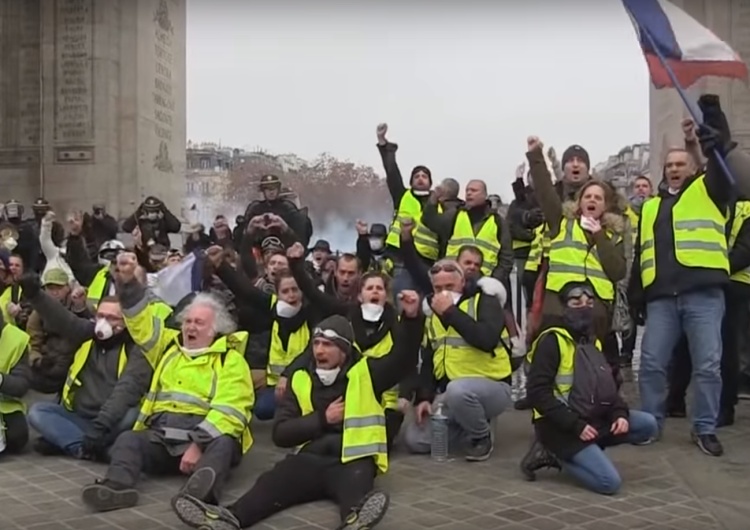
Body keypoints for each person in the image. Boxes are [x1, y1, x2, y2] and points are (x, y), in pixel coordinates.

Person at [171, 295, 424, 530]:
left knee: (356, 487)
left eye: (328, 345)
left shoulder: (366, 373)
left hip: (352, 460)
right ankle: (228, 519)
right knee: (272, 482)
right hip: (309, 459)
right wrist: (324, 419)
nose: (320, 351)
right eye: (316, 344)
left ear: (344, 350)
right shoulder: (301, 379)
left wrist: (412, 320)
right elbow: (281, 434)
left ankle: (355, 519)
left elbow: (403, 359)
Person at [80, 252, 254, 512]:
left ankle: (198, 497)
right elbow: (141, 325)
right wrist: (128, 284)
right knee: (128, 440)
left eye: (198, 323)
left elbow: (231, 412)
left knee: (224, 442)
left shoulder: (231, 360)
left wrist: (198, 444)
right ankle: (115, 488)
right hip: (162, 436)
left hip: (202, 439)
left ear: (215, 329)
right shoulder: (168, 346)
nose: (190, 327)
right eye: (187, 321)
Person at [630, 95, 743, 456]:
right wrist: (637, 297)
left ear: (692, 168)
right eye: (670, 165)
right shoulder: (650, 207)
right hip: (662, 298)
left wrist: (712, 118)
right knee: (651, 363)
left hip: (703, 294)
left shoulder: (709, 191)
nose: (675, 169)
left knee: (708, 365)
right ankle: (650, 422)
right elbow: (640, 256)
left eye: (681, 163)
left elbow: (721, 159)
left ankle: (705, 427)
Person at [519, 282, 658, 494]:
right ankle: (553, 453)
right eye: (576, 303)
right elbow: (537, 393)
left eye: (589, 303)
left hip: (592, 417)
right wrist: (575, 426)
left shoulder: (594, 342)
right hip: (559, 425)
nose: (584, 307)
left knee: (647, 424)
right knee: (609, 483)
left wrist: (619, 414)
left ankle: (588, 449)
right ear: (564, 307)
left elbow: (609, 389)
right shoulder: (551, 341)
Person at [23, 272, 151, 460]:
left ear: (127, 322)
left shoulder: (136, 348)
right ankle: (85, 448)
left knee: (133, 414)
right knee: (37, 412)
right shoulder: (87, 335)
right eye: (101, 316)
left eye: (112, 318)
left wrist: (101, 425)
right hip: (80, 417)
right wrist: (35, 295)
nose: (104, 323)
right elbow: (63, 319)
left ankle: (70, 441)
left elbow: (126, 391)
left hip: (112, 421)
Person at [402, 259, 513, 462]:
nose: (444, 293)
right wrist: (424, 398)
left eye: (449, 287)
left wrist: (451, 313)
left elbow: (486, 339)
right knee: (415, 439)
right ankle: (470, 424)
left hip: (492, 386)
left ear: (462, 283)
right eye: (438, 288)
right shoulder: (433, 315)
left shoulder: (485, 301)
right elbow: (428, 359)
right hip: (450, 393)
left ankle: (481, 436)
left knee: (458, 390)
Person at [208, 245, 312, 421]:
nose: (291, 295)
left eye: (295, 290)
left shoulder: (312, 313)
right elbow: (246, 291)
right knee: (262, 410)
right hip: (274, 384)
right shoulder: (273, 307)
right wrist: (220, 265)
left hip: (304, 383)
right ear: (277, 294)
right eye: (285, 291)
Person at [377, 123, 439, 297]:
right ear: (411, 181)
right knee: (402, 303)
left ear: (430, 182)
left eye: (424, 176)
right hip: (401, 260)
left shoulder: (439, 202)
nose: (420, 179)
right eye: (416, 176)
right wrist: (384, 145)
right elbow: (392, 172)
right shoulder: (402, 196)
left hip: (427, 263)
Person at [0, 309, 31, 456]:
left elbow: (21, 385)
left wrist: (1, 379)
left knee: (17, 436)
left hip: (4, 405)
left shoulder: (17, 340)